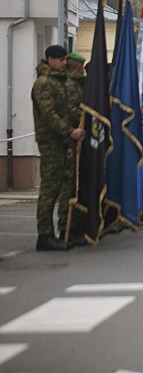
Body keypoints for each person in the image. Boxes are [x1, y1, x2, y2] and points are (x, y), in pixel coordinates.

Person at [30, 45, 85, 251]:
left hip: (62, 143)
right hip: (51, 143)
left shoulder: (59, 82)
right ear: (50, 60)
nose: (64, 63)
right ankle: (44, 236)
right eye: (61, 60)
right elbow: (49, 115)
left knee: (64, 188)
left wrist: (69, 142)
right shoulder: (43, 84)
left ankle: (64, 230)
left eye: (65, 60)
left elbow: (68, 112)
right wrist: (70, 132)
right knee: (49, 191)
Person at [57, 52, 87, 246]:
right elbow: (68, 115)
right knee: (68, 189)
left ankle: (75, 228)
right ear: (77, 67)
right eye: (81, 66)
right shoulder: (69, 86)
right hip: (70, 142)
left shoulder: (78, 85)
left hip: (79, 142)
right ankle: (65, 229)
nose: (83, 69)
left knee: (77, 187)